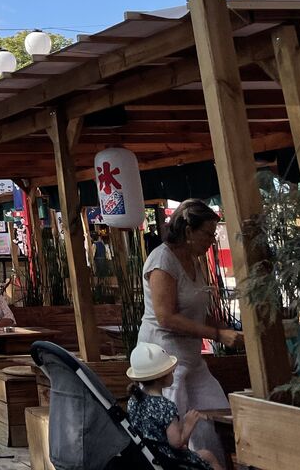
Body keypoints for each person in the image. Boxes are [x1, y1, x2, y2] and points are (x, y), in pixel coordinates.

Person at [138, 199, 241, 464]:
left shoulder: (194, 261)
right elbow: (166, 317)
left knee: (217, 413)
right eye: (207, 234)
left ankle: (213, 464)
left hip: (191, 359)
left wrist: (225, 328)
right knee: (175, 434)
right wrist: (216, 335)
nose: (212, 241)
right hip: (164, 362)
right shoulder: (162, 260)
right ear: (188, 231)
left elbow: (195, 310)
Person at [126, 342, 218, 470]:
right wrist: (188, 424)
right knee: (209, 458)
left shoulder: (133, 401)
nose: (173, 372)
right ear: (162, 377)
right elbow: (176, 443)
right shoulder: (166, 406)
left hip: (147, 457)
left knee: (206, 455)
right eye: (171, 371)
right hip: (169, 461)